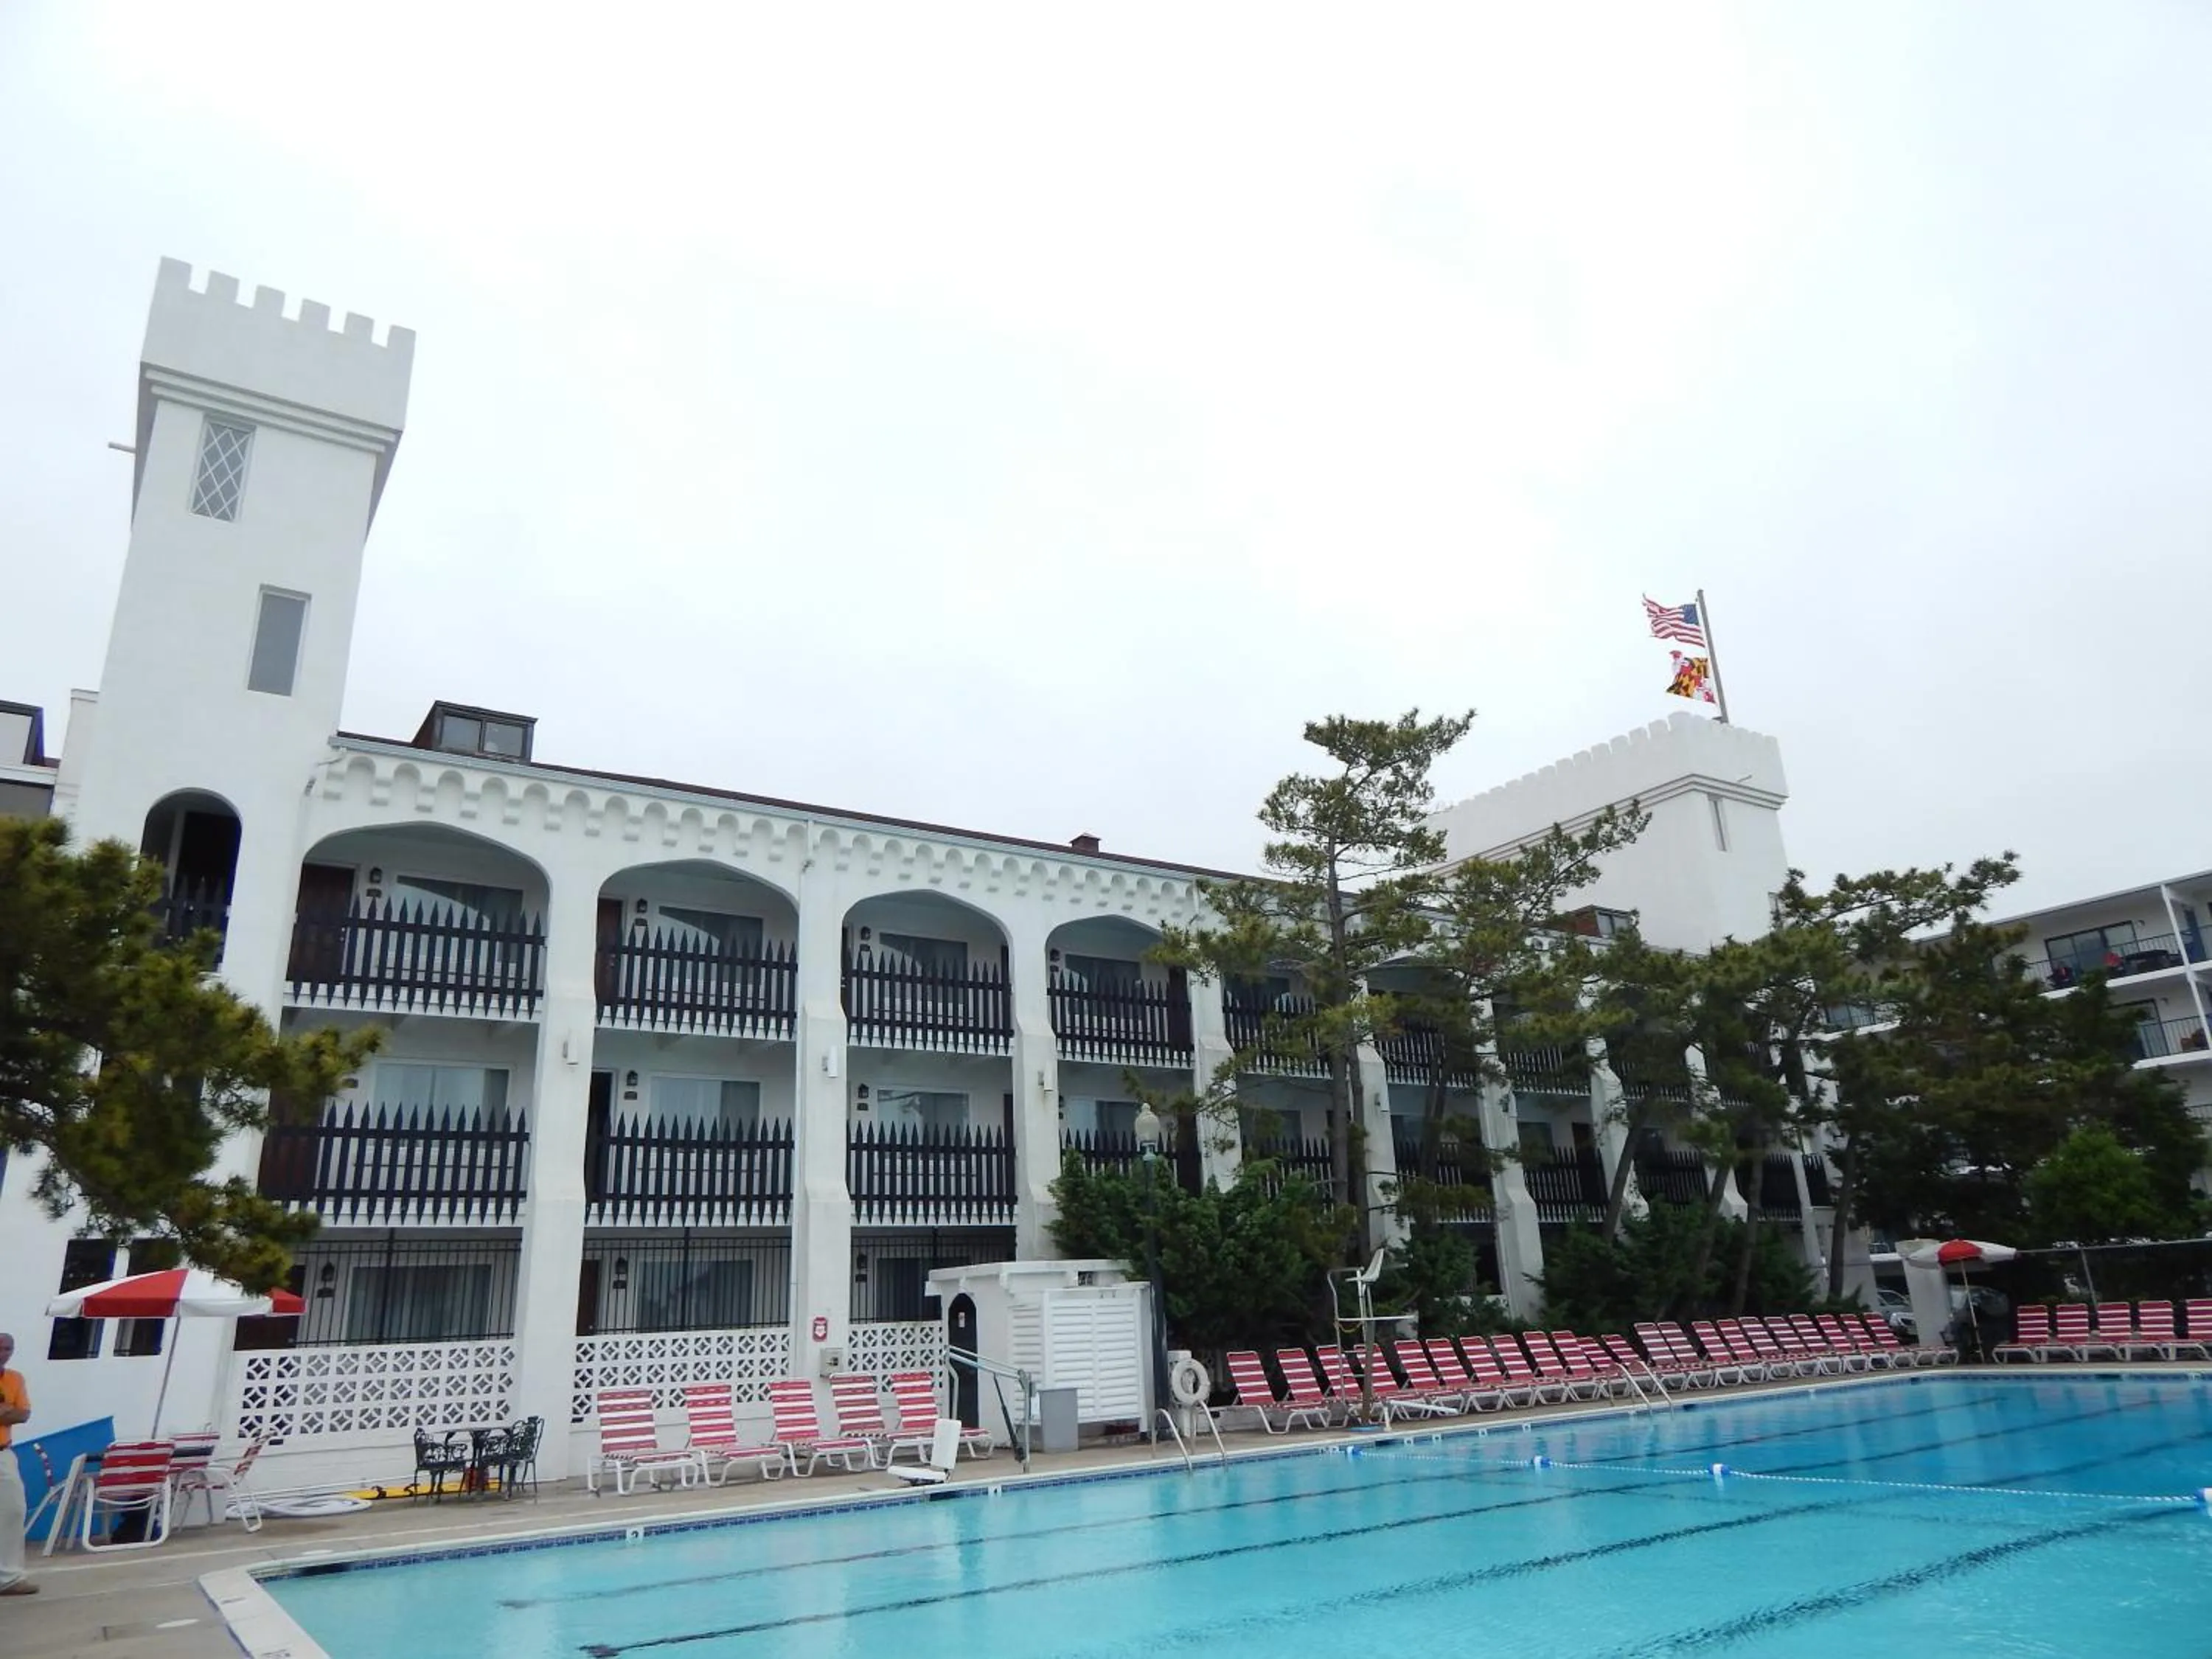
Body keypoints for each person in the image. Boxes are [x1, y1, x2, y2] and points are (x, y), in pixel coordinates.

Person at [0, 1332, 33, 1596]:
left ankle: (8, 1577)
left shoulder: (15, 1379)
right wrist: (7, 1413)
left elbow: (24, 1414)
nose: (3, 1352)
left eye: (8, 1348)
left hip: (3, 1451)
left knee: (13, 1510)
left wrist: (7, 1413)